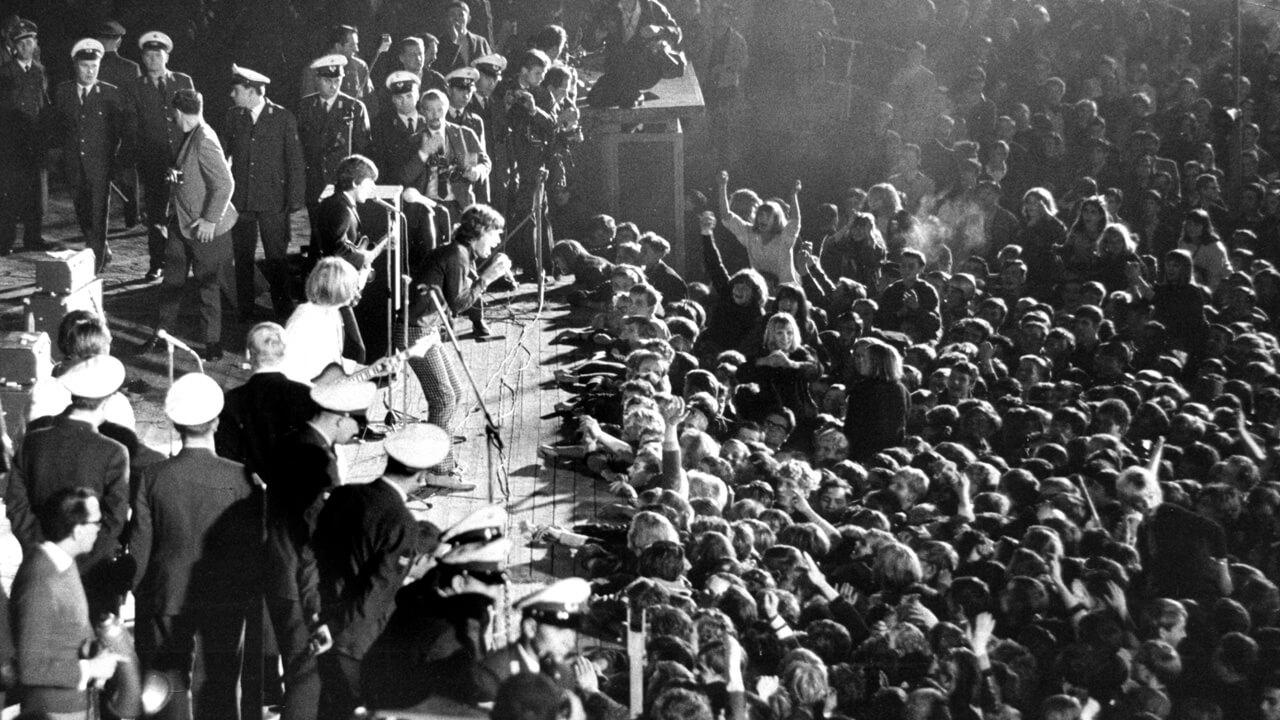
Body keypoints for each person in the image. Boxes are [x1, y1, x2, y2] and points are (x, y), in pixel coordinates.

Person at [130, 373, 261, 720]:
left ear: (174, 424)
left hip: (167, 592)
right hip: (225, 594)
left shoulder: (152, 477)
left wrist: (144, 594)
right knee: (220, 683)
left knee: (168, 688)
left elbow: (139, 545)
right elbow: (252, 548)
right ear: (216, 422)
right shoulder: (241, 477)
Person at [311, 422, 449, 720]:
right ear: (422, 474)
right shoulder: (401, 523)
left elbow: (320, 553)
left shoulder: (344, 496)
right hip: (358, 643)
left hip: (325, 618)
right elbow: (378, 591)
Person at [263, 377, 376, 720]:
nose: (357, 434)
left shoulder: (290, 440)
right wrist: (320, 604)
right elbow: (318, 538)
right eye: (357, 425)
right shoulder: (319, 460)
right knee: (307, 677)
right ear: (340, 417)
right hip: (301, 582)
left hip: (277, 568)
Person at [5, 355, 130, 621]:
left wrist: (39, 546)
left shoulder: (32, 442)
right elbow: (115, 519)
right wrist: (85, 557)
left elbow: (15, 504)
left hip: (38, 570)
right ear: (106, 400)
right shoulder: (114, 452)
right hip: (93, 581)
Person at [361, 505, 512, 708]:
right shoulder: (444, 631)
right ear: (459, 583)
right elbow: (474, 691)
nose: (497, 592)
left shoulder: (430, 594)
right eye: (489, 582)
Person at [404, 204, 510, 486]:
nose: (498, 240)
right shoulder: (458, 255)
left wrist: (485, 274)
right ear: (481, 231)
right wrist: (488, 277)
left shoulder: (460, 252)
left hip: (425, 329)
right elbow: (459, 304)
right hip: (413, 330)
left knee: (455, 393)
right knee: (443, 398)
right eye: (495, 233)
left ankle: (439, 459)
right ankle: (438, 472)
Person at [10, 488, 122, 718]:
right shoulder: (40, 580)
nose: (99, 529)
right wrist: (91, 668)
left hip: (73, 705)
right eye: (96, 522)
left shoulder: (64, 563)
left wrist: (97, 649)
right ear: (77, 530)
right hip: (51, 712)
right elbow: (29, 669)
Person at [146, 88, 237, 361]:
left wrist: (210, 220)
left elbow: (225, 183)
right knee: (171, 280)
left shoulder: (205, 138)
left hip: (204, 227)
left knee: (207, 285)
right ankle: (162, 336)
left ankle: (212, 344)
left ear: (178, 112)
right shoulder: (189, 134)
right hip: (182, 223)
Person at [225, 63, 307, 322]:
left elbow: (294, 161)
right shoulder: (233, 117)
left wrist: (295, 200)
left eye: (236, 90)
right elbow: (224, 157)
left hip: (274, 200)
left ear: (251, 91)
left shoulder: (283, 118)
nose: (232, 95)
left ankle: (282, 311)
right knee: (243, 257)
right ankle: (245, 310)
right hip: (242, 200)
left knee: (276, 258)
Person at [47, 38, 135, 272]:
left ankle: (95, 264)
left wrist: (115, 161)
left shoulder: (110, 94)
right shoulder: (63, 91)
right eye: (85, 66)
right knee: (82, 211)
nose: (89, 71)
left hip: (100, 165)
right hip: (74, 164)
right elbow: (59, 126)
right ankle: (100, 246)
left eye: (94, 67)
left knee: (98, 215)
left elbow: (120, 131)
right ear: (76, 65)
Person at [214, 322, 318, 483]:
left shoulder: (231, 401)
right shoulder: (308, 396)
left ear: (248, 354)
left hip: (247, 499)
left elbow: (225, 461)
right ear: (285, 354)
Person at [130, 31, 194, 281]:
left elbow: (193, 119)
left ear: (167, 56)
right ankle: (157, 262)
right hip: (153, 160)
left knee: (186, 210)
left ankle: (186, 260)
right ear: (143, 59)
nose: (153, 60)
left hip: (182, 157)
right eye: (148, 55)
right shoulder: (136, 87)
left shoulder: (182, 81)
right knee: (156, 215)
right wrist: (140, 158)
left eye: (158, 55)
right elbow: (134, 126)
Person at [400, 88, 491, 260]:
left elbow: (484, 163)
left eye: (439, 109)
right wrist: (423, 153)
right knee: (432, 258)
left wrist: (477, 172)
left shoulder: (464, 134)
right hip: (428, 208)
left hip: (458, 205)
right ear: (422, 111)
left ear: (446, 109)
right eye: (429, 110)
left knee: (461, 258)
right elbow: (405, 176)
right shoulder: (414, 140)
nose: (435, 115)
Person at [299, 54, 371, 252]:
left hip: (342, 185)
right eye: (327, 80)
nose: (333, 85)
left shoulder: (354, 107)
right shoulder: (305, 107)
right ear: (317, 80)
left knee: (344, 238)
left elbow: (362, 149)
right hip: (314, 183)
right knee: (317, 237)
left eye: (337, 80)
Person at [479, 577, 592, 697]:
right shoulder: (495, 674)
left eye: (572, 631)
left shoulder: (564, 675)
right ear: (530, 628)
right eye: (560, 630)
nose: (570, 642)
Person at [0, 18, 51, 255]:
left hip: (35, 142)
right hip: (12, 143)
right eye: (20, 43)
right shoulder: (5, 73)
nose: (25, 47)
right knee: (10, 193)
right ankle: (5, 241)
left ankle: (33, 237)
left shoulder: (40, 71)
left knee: (36, 194)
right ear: (14, 46)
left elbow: (43, 104)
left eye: (29, 42)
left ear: (36, 44)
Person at [283, 257, 366, 384]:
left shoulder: (332, 313)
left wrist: (370, 369)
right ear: (340, 287)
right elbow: (290, 372)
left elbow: (332, 361)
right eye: (352, 286)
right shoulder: (306, 318)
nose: (356, 293)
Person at [586, 0, 683, 108]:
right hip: (617, 70)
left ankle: (632, 95)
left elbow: (677, 32)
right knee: (594, 99)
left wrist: (659, 29)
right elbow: (588, 45)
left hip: (645, 71)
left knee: (625, 100)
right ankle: (634, 95)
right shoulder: (608, 9)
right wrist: (597, 38)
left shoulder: (651, 7)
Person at [715, 171, 802, 288]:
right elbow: (726, 216)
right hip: (761, 292)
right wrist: (722, 186)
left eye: (768, 216)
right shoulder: (749, 233)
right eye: (760, 215)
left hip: (786, 293)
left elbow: (795, 220)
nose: (763, 218)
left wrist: (794, 195)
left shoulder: (784, 237)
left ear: (777, 219)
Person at [94, 20, 140, 229]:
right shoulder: (131, 68)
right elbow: (135, 103)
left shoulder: (90, 65)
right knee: (128, 173)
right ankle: (133, 216)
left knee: (100, 176)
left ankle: (99, 218)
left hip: (99, 127)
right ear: (119, 41)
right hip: (125, 127)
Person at [843, 338, 909, 461]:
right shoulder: (901, 389)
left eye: (865, 358)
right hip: (890, 454)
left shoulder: (862, 389)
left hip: (862, 453)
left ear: (877, 363)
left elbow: (852, 426)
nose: (860, 362)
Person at [370, 70, 424, 192]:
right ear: (393, 99)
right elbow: (381, 162)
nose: (404, 102)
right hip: (395, 190)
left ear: (418, 96)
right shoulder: (381, 124)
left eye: (409, 96)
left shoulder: (427, 123)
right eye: (399, 97)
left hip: (424, 191)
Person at [301, 25, 376, 101]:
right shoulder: (313, 70)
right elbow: (308, 105)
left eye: (356, 44)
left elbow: (370, 100)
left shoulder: (360, 67)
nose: (357, 49)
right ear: (338, 46)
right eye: (351, 45)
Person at [436, 1, 493, 73]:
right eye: (452, 15)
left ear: (468, 19)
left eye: (461, 15)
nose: (456, 19)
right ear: (447, 19)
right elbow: (441, 69)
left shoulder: (481, 42)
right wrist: (453, 43)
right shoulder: (440, 43)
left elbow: (490, 69)